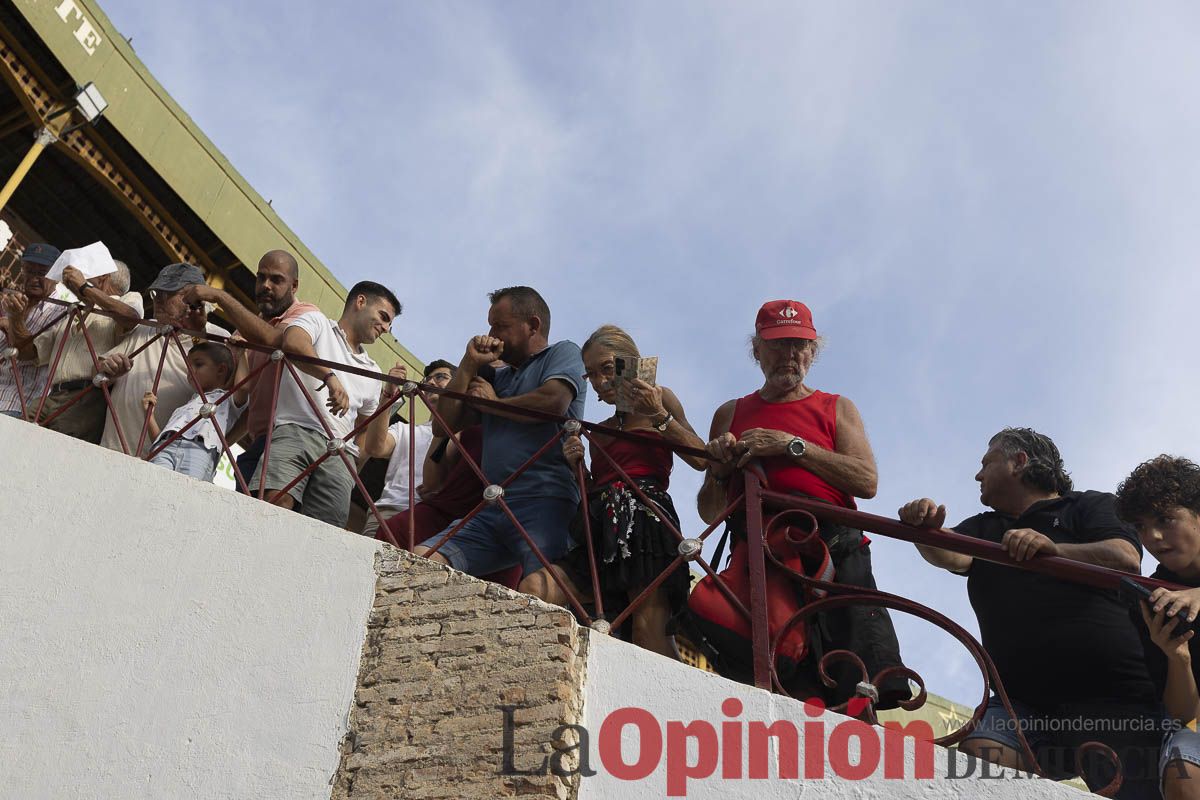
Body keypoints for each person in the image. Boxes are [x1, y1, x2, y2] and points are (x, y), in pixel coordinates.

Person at [900, 427, 1163, 799]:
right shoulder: (985, 526)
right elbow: (951, 554)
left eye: (986, 463)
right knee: (979, 761)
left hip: (1113, 694)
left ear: (1019, 462)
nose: (978, 475)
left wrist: (1052, 550)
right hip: (1021, 701)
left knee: (1133, 791)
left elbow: (1125, 558)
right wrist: (924, 531)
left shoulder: (1087, 505)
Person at [697, 299, 906, 705]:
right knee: (776, 691)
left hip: (835, 555)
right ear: (756, 350)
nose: (789, 355)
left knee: (855, 691)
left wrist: (790, 446)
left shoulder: (836, 406)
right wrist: (720, 470)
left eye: (798, 345)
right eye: (777, 344)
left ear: (814, 351)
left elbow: (866, 481)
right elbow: (708, 510)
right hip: (763, 559)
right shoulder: (731, 412)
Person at [526, 325, 707, 658]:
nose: (599, 381)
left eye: (607, 368)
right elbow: (598, 488)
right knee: (535, 588)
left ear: (631, 364)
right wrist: (577, 467)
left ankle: (666, 706)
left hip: (647, 523)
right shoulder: (604, 429)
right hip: (601, 528)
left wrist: (660, 416)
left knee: (647, 631)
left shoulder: (660, 399)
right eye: (591, 374)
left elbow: (700, 458)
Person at [415, 286, 585, 596]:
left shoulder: (562, 353)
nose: (491, 334)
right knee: (422, 560)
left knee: (540, 590)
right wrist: (468, 364)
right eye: (491, 325)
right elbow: (443, 427)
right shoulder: (498, 377)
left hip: (545, 502)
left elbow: (554, 402)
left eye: (501, 326)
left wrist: (494, 405)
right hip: (494, 506)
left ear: (533, 325)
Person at [249, 280, 401, 527]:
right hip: (295, 430)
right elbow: (294, 343)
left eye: (389, 324)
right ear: (360, 302)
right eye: (383, 317)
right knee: (273, 507)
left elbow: (365, 433)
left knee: (323, 534)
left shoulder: (374, 370)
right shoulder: (317, 321)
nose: (385, 328)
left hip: (341, 455)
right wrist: (329, 377)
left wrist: (351, 466)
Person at [178, 250, 320, 485]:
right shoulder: (242, 333)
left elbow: (274, 339)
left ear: (294, 286)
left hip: (290, 441)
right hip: (259, 442)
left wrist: (220, 297)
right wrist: (199, 334)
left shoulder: (305, 315)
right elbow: (233, 394)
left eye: (276, 279)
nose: (266, 285)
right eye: (261, 277)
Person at [1115, 455, 1200, 800]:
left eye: (1166, 519)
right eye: (1140, 526)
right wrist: (1177, 657)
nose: (1153, 536)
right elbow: (1185, 715)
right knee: (1184, 770)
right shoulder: (1153, 602)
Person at [95, 263, 229, 455]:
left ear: (193, 299)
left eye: (167, 294)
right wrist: (109, 367)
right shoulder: (144, 329)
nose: (158, 300)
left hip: (162, 463)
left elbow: (228, 399)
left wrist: (197, 333)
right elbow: (99, 368)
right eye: (156, 294)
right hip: (111, 450)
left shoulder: (217, 338)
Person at [10, 259, 141, 442]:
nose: (76, 276)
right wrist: (16, 319)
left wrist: (84, 287)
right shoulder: (75, 311)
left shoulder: (128, 299)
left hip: (85, 397)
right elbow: (28, 353)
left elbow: (131, 318)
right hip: (52, 394)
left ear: (103, 277)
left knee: (55, 451)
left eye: (86, 272)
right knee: (15, 437)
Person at [358, 359, 454, 538]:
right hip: (388, 512)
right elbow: (374, 447)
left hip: (434, 520)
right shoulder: (406, 430)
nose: (431, 383)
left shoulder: (464, 435)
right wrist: (389, 392)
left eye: (441, 377)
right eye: (427, 380)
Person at [142, 342, 245, 482]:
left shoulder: (227, 400)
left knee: (188, 493)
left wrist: (242, 354)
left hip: (200, 449)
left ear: (221, 370)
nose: (190, 371)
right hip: (164, 447)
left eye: (198, 365)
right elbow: (160, 439)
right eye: (188, 367)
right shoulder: (184, 407)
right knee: (155, 485)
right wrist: (149, 415)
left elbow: (244, 387)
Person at [0, 243, 61, 419]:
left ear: (56, 276)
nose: (34, 278)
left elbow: (27, 353)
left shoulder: (62, 313)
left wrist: (14, 321)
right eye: (29, 271)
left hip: (17, 403)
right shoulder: (13, 299)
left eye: (42, 273)